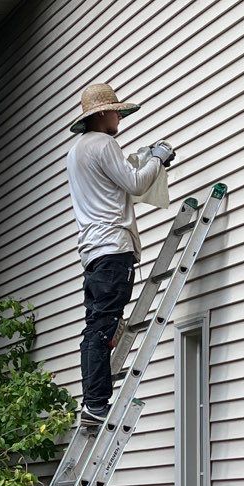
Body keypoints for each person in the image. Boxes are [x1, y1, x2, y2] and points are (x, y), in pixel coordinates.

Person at [65, 82, 176, 426]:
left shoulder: (77, 150)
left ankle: (91, 401)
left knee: (96, 326)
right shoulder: (104, 143)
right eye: (116, 111)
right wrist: (157, 157)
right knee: (101, 328)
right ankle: (97, 405)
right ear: (102, 114)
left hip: (92, 253)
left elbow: (115, 183)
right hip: (113, 247)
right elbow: (136, 184)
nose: (119, 117)